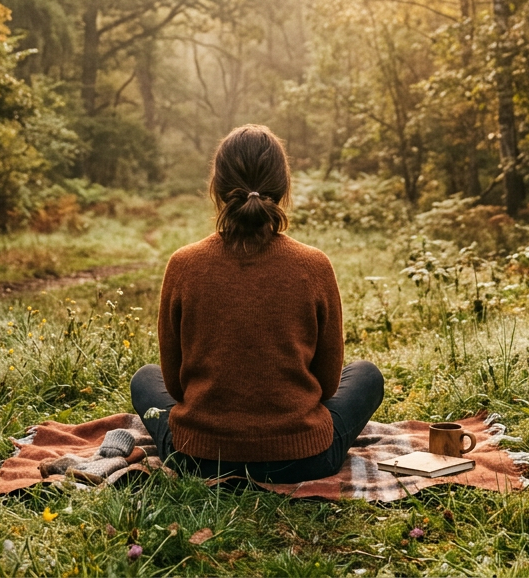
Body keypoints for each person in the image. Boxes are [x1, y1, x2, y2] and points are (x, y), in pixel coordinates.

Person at [131, 124, 384, 484]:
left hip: (197, 458)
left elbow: (173, 385)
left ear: (217, 188)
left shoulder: (183, 264)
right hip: (306, 460)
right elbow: (328, 386)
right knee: (367, 376)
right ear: (282, 188)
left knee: (145, 378)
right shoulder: (314, 265)